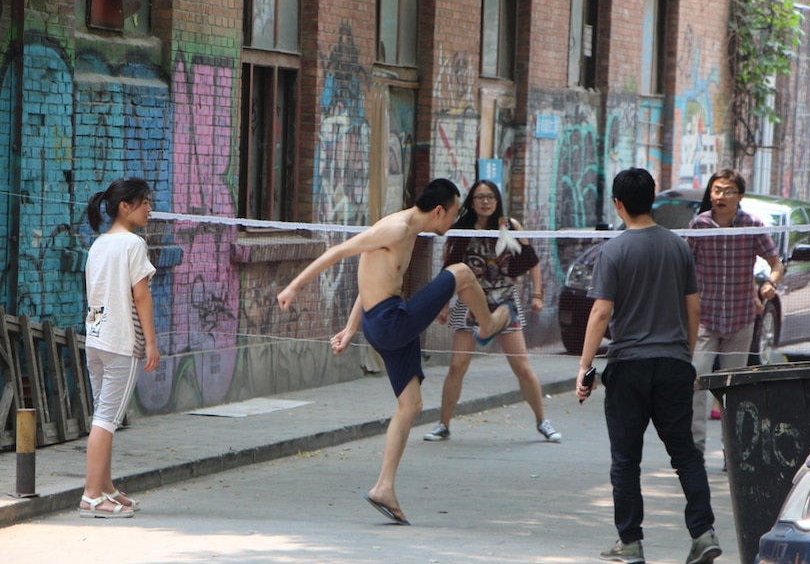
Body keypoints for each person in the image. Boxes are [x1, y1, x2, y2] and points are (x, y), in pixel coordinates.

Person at [276, 178, 514, 525]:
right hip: (390, 322)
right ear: (438, 212)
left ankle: (384, 487)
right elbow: (338, 252)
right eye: (452, 214)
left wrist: (351, 327)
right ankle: (489, 324)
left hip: (382, 321)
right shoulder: (396, 229)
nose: (454, 222)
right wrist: (293, 287)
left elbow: (374, 279)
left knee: (411, 404)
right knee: (460, 273)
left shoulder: (410, 232)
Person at [577, 168, 721, 564]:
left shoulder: (614, 249)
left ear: (618, 204)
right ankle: (703, 533)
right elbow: (694, 307)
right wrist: (685, 356)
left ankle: (631, 542)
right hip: (674, 364)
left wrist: (585, 366)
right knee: (686, 454)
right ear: (653, 199)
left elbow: (600, 312)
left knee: (626, 460)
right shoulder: (678, 247)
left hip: (629, 367)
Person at [423, 180, 560, 443]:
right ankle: (443, 424)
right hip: (467, 304)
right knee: (457, 366)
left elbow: (532, 262)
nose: (485, 202)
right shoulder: (461, 229)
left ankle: (543, 421)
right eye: (479, 197)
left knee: (521, 366)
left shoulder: (509, 226)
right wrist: (443, 303)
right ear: (471, 202)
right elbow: (449, 268)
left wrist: (538, 295)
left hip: (504, 302)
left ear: (497, 200)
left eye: (490, 197)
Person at [688, 169, 784, 454]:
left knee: (733, 391)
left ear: (739, 196)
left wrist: (770, 284)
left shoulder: (752, 225)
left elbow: (777, 265)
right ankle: (694, 450)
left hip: (741, 320)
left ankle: (733, 453)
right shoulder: (698, 225)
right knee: (696, 384)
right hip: (704, 320)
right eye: (716, 190)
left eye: (728, 191)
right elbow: (684, 267)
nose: (720, 196)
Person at [80, 178, 159, 518]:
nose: (150, 209)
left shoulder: (98, 244)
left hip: (95, 341)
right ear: (125, 207)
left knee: (103, 415)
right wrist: (152, 343)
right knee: (107, 419)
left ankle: (106, 487)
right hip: (121, 342)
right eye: (144, 203)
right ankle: (91, 497)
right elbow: (141, 296)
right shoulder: (132, 244)